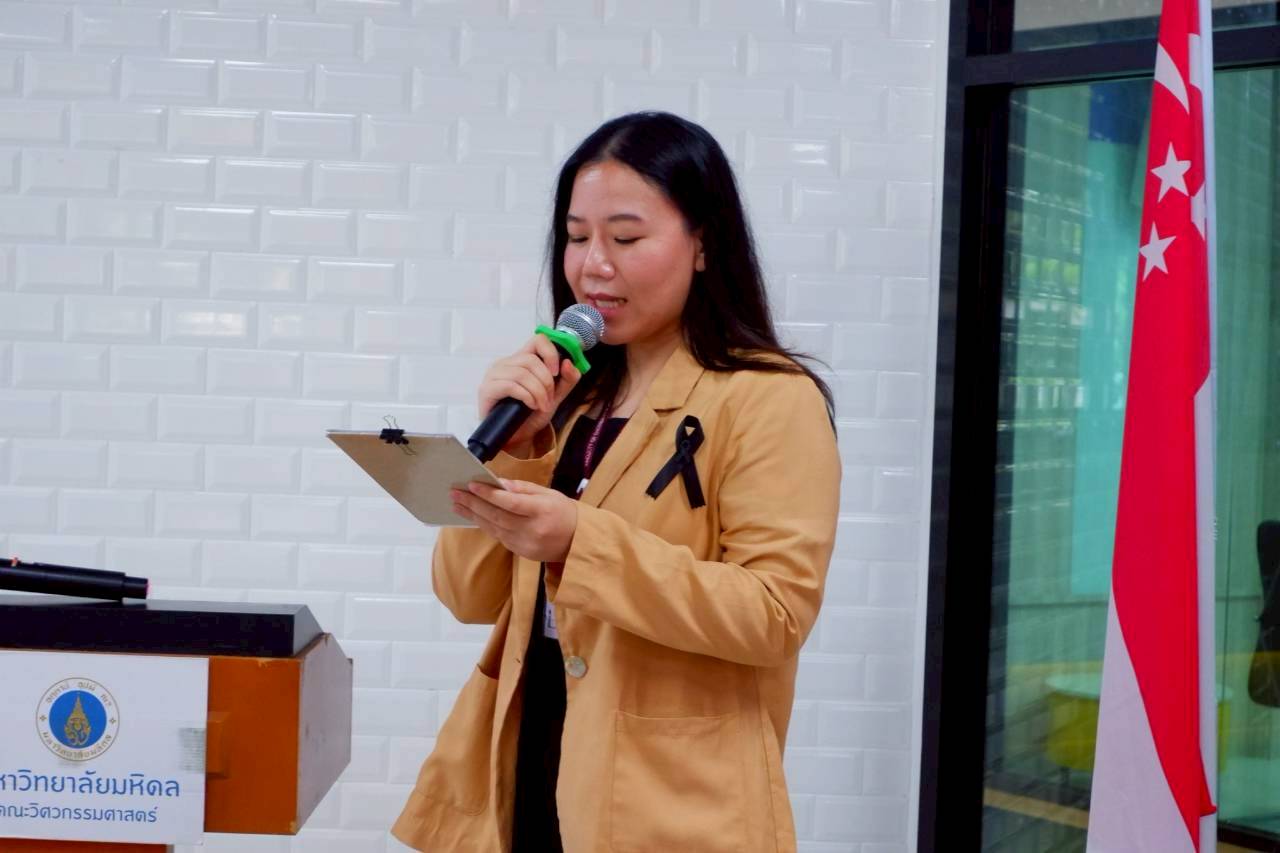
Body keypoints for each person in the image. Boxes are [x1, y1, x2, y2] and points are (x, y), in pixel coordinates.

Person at [391, 111, 841, 853]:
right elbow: (468, 596)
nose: (594, 265)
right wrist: (513, 452)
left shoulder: (768, 397)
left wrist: (581, 543)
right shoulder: (568, 397)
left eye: (626, 239)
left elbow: (774, 614)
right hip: (532, 756)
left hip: (667, 797)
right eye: (577, 237)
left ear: (704, 243)